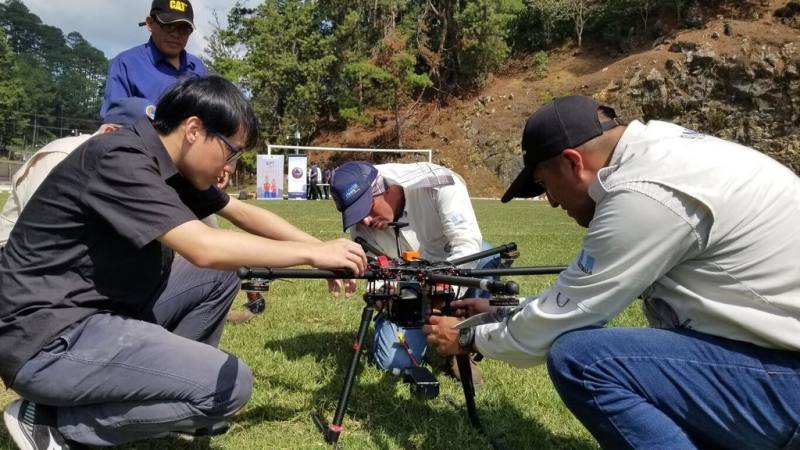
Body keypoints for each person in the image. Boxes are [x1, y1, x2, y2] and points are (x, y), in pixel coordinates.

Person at [0, 75, 365, 449]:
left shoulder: (168, 166)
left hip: (94, 313)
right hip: (45, 339)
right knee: (229, 387)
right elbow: (203, 247)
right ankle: (55, 426)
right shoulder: (119, 158)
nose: (230, 167)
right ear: (194, 129)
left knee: (219, 279)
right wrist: (310, 254)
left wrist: (324, 249)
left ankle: (163, 388)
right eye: (231, 151)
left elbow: (241, 213)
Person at [422, 95, 800, 449]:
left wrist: (471, 338)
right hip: (774, 361)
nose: (551, 201)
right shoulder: (665, 153)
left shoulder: (646, 192)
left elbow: (566, 319)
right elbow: (580, 299)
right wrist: (505, 313)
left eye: (543, 184)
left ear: (573, 162)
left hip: (788, 382)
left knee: (584, 360)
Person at [331, 161, 499, 380]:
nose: (365, 220)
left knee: (486, 255)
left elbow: (467, 245)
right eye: (356, 213)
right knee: (395, 364)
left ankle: (463, 342)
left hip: (450, 272)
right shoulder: (362, 228)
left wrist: (441, 293)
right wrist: (388, 297)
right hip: (405, 292)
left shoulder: (440, 184)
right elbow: (377, 277)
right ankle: (425, 327)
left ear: (387, 188)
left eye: (368, 208)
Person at [0, 98, 155, 248]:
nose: (149, 152)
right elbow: (41, 230)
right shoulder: (64, 155)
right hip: (14, 257)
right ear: (109, 132)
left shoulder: (122, 170)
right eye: (142, 143)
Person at [99, 0, 207, 120]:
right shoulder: (126, 64)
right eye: (169, 26)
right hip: (142, 138)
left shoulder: (198, 68)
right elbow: (113, 120)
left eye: (184, 29)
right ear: (150, 23)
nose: (176, 34)